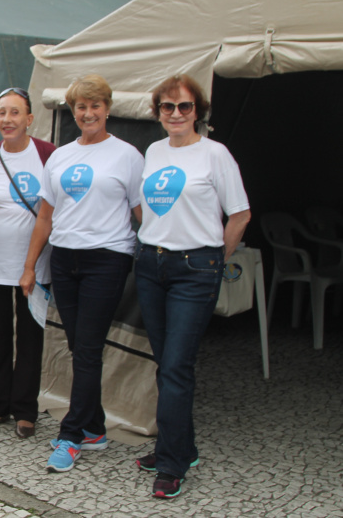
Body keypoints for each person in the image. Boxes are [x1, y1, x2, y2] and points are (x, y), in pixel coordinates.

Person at [19, 74, 143, 473]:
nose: (87, 113)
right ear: (73, 112)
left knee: (87, 350)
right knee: (80, 348)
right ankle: (95, 429)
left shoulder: (127, 156)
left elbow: (143, 216)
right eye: (80, 107)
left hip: (106, 260)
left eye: (94, 105)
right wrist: (28, 267)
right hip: (64, 260)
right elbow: (45, 216)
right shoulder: (60, 156)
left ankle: (71, 434)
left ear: (107, 108)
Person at [134, 74, 250, 499]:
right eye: (167, 107)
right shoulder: (154, 150)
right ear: (158, 113)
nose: (176, 114)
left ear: (197, 111)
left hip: (194, 268)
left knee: (178, 365)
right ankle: (180, 445)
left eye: (184, 106)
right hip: (151, 263)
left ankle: (171, 463)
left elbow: (239, 214)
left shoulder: (215, 154)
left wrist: (216, 261)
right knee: (166, 363)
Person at [0, 87, 55, 439]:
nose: (7, 120)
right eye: (2, 113)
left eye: (15, 113)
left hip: (36, 265)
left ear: (30, 119)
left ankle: (25, 410)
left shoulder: (49, 155)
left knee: (31, 337)